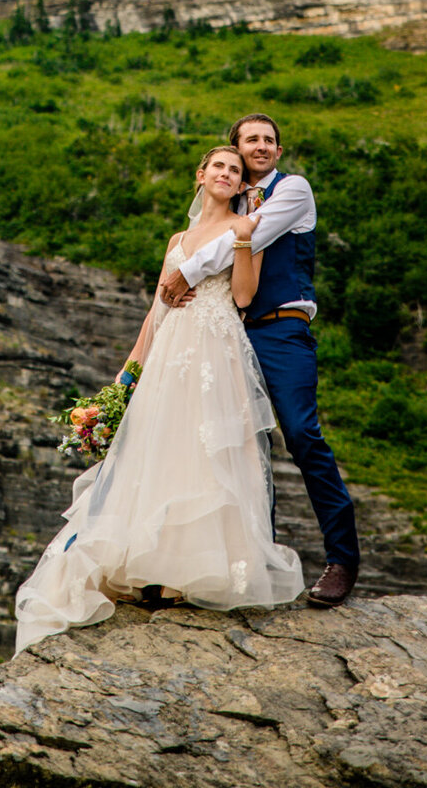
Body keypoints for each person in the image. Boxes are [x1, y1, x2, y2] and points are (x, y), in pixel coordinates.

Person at [14, 144, 303, 652]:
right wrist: (124, 379)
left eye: (235, 171)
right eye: (219, 166)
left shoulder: (244, 228)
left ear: (241, 185)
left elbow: (242, 297)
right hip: (170, 353)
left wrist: (240, 242)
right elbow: (156, 313)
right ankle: (148, 566)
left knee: (205, 454)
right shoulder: (177, 238)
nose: (227, 174)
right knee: (160, 453)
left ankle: (190, 572)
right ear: (200, 175)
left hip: (216, 352)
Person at [159, 112, 359, 608]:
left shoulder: (293, 191)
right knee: (238, 445)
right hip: (229, 333)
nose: (263, 146)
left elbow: (241, 243)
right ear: (237, 148)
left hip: (283, 327)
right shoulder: (228, 200)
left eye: (271, 139)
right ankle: (253, 561)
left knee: (300, 433)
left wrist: (185, 273)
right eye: (252, 139)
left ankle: (342, 559)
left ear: (279, 150)